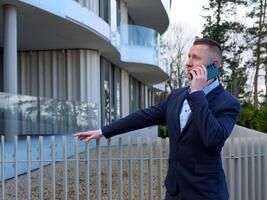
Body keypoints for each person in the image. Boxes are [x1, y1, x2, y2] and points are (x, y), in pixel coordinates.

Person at [74, 38, 240, 200]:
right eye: (189, 56)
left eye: (195, 58)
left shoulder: (228, 103)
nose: (188, 62)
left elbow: (213, 139)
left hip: (206, 192)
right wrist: (103, 131)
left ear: (215, 65)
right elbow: (143, 117)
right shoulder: (176, 96)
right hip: (174, 191)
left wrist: (197, 94)